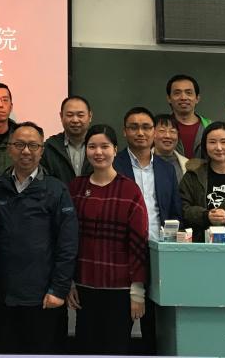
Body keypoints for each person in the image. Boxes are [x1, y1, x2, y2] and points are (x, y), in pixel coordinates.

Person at [0, 122, 77, 355]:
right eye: (19, 144)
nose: (26, 151)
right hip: (3, 297)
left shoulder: (56, 190)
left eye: (33, 145)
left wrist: (59, 289)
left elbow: (67, 244)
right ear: (10, 149)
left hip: (43, 298)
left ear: (42, 150)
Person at [68, 124, 149, 356]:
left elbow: (138, 243)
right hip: (84, 286)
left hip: (120, 290)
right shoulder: (76, 187)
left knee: (116, 348)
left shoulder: (130, 190)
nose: (98, 152)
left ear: (115, 149)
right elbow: (68, 239)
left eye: (104, 146)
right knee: (85, 348)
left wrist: (137, 291)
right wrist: (69, 281)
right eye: (92, 146)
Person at [112, 107, 180, 353]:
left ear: (154, 132)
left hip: (157, 252)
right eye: (134, 127)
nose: (140, 132)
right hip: (122, 255)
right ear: (125, 131)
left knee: (156, 325)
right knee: (119, 326)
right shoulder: (113, 164)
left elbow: (174, 212)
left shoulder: (166, 168)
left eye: (146, 127)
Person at [41, 96, 94, 185]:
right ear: (61, 116)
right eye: (69, 115)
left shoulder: (100, 147)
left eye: (80, 115)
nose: (75, 120)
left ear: (90, 116)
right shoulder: (49, 148)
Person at [166, 75, 211, 158]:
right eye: (177, 93)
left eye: (189, 93)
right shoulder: (157, 129)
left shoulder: (210, 126)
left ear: (197, 98)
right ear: (169, 98)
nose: (183, 97)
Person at [153, 114, 188, 182]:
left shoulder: (187, 164)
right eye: (162, 131)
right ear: (152, 133)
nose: (168, 136)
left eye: (172, 131)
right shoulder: (141, 162)